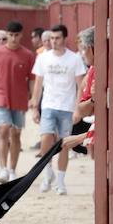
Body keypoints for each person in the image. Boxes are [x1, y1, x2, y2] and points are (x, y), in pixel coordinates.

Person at [30, 24, 86, 195]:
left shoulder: (74, 59)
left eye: (57, 38)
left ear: (64, 39)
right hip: (48, 105)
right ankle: (48, 174)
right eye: (52, 38)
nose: (54, 41)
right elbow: (38, 84)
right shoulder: (43, 58)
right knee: (46, 138)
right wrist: (34, 106)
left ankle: (61, 181)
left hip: (67, 107)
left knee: (64, 143)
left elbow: (80, 86)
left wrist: (78, 109)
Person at [0, 21, 35, 183]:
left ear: (21, 35)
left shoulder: (28, 55)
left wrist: (33, 99)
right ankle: (3, 168)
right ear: (7, 35)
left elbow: (32, 79)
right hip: (0, 98)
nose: (14, 38)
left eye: (17, 35)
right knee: (3, 130)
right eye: (11, 35)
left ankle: (12, 169)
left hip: (19, 100)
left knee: (15, 134)